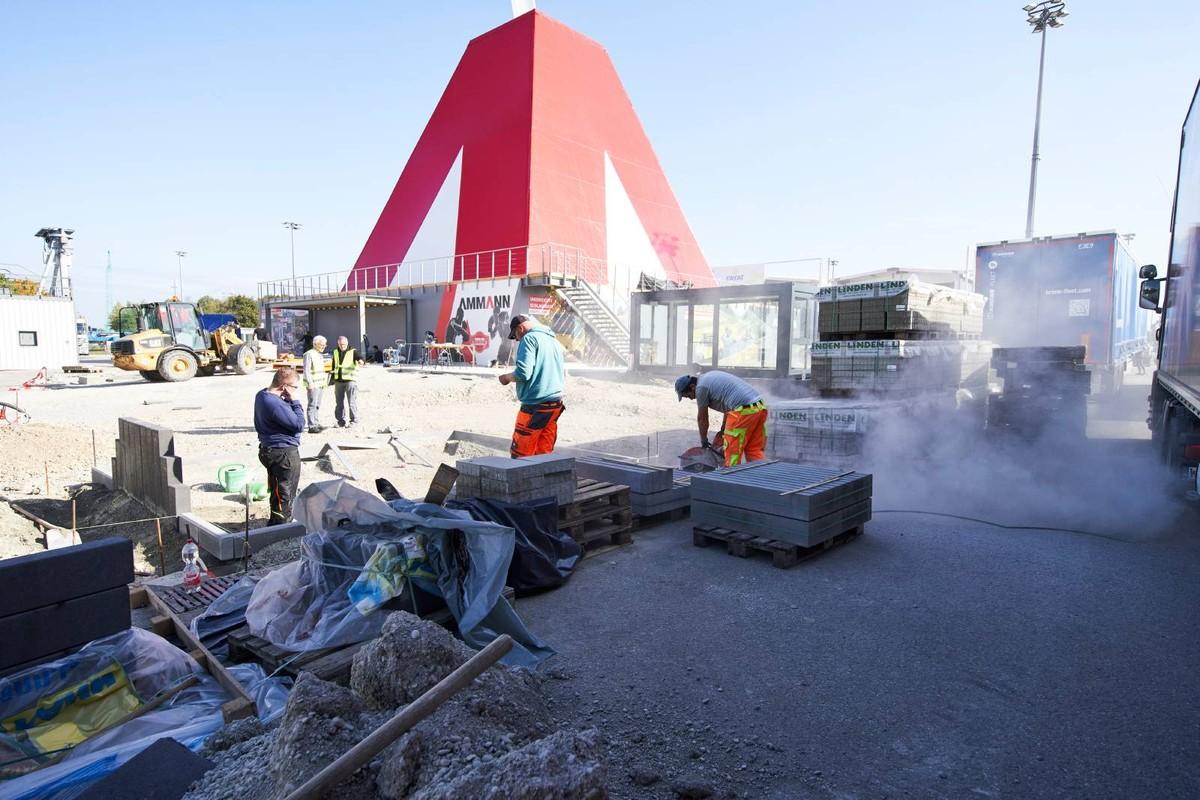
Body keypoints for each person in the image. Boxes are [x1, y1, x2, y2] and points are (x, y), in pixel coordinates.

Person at [499, 314, 566, 458]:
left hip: (535, 406)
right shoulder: (552, 339)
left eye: (515, 335)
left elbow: (523, 373)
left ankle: (521, 473)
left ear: (520, 328)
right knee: (544, 453)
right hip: (554, 404)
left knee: (521, 455)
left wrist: (506, 378)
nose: (517, 339)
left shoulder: (529, 339)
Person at [675, 371, 768, 467]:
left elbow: (702, 418)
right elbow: (728, 407)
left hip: (743, 411)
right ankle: (762, 472)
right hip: (759, 407)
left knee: (732, 451)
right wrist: (723, 430)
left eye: (688, 395)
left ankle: (730, 475)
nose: (691, 399)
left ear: (692, 387)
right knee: (753, 449)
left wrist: (704, 440)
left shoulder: (701, 388)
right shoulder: (708, 378)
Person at [255, 367, 305, 525]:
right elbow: (299, 425)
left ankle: (275, 523)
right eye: (295, 387)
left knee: (277, 491)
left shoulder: (262, 394)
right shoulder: (275, 403)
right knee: (285, 496)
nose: (296, 391)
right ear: (285, 387)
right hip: (283, 454)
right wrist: (295, 402)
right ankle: (282, 528)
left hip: (269, 450)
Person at [331, 335, 363, 428]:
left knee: (351, 402)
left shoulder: (353, 351)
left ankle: (354, 421)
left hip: (350, 380)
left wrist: (361, 361)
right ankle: (340, 421)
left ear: (347, 343)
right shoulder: (335, 352)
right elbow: (334, 366)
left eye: (344, 344)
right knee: (339, 403)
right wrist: (332, 379)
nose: (342, 346)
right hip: (338, 381)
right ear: (338, 344)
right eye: (341, 344)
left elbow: (359, 357)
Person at [302, 335, 327, 433]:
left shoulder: (319, 354)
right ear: (315, 344)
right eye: (322, 345)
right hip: (313, 385)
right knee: (312, 404)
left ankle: (316, 423)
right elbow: (306, 370)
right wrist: (310, 383)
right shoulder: (309, 354)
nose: (324, 346)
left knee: (317, 405)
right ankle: (311, 426)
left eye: (324, 345)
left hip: (320, 384)